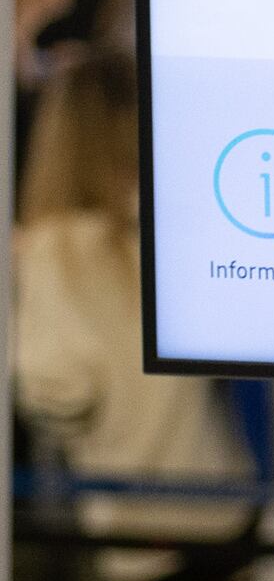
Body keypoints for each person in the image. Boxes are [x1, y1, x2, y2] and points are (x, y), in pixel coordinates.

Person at [16, 53, 248, 487]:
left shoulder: (53, 250)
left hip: (125, 513)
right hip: (222, 496)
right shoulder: (187, 230)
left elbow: (56, 392)